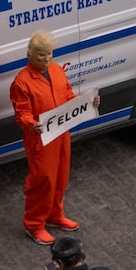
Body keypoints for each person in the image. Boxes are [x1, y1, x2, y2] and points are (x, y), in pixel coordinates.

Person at [11, 32, 84, 245]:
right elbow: (22, 113)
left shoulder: (57, 71)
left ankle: (54, 214)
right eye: (41, 55)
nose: (47, 59)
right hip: (40, 140)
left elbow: (68, 95)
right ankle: (34, 224)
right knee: (43, 181)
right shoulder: (21, 82)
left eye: (49, 54)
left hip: (61, 134)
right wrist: (31, 125)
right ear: (30, 54)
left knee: (61, 176)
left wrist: (85, 102)